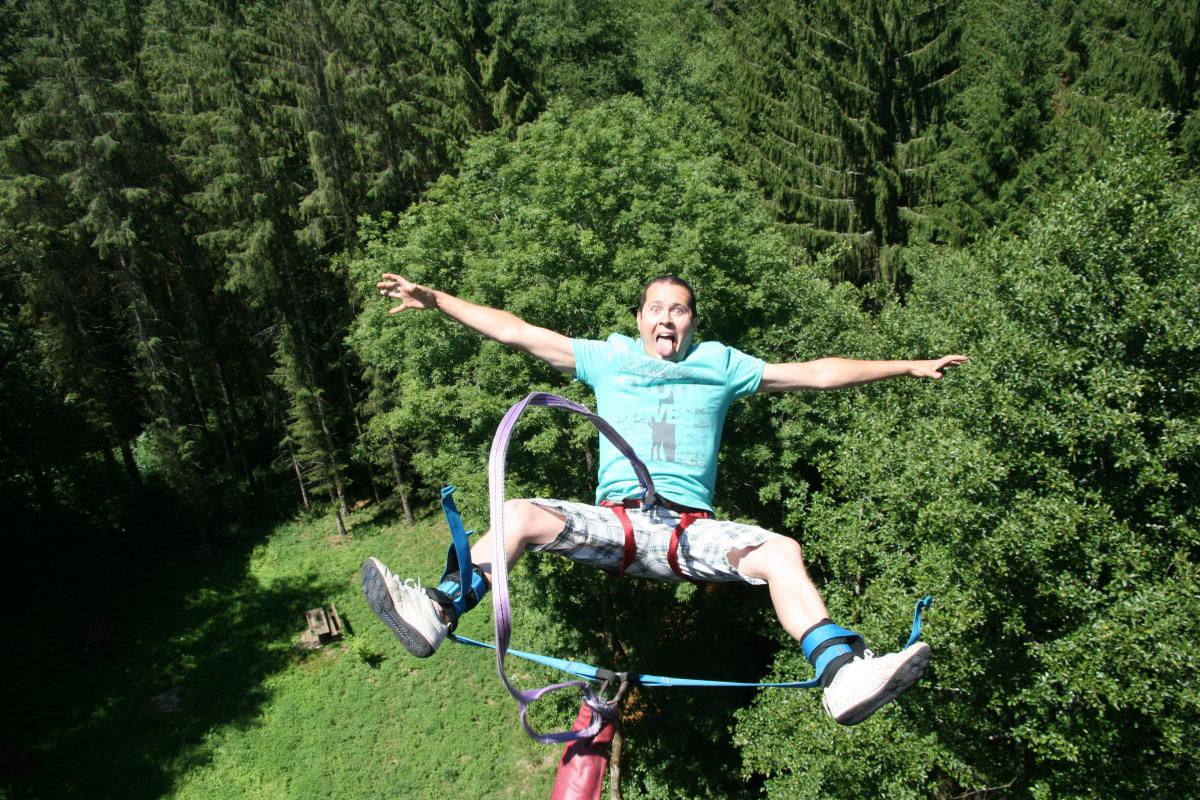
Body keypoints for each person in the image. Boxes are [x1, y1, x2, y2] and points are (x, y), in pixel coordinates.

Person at [362, 272, 968, 725]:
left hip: (689, 535)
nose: (667, 319)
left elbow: (817, 371)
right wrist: (436, 301)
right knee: (518, 514)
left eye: (678, 310)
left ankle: (841, 675)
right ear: (640, 319)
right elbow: (517, 331)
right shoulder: (608, 358)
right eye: (656, 309)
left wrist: (909, 366)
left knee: (780, 550)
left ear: (693, 323)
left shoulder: (722, 365)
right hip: (615, 524)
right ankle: (436, 611)